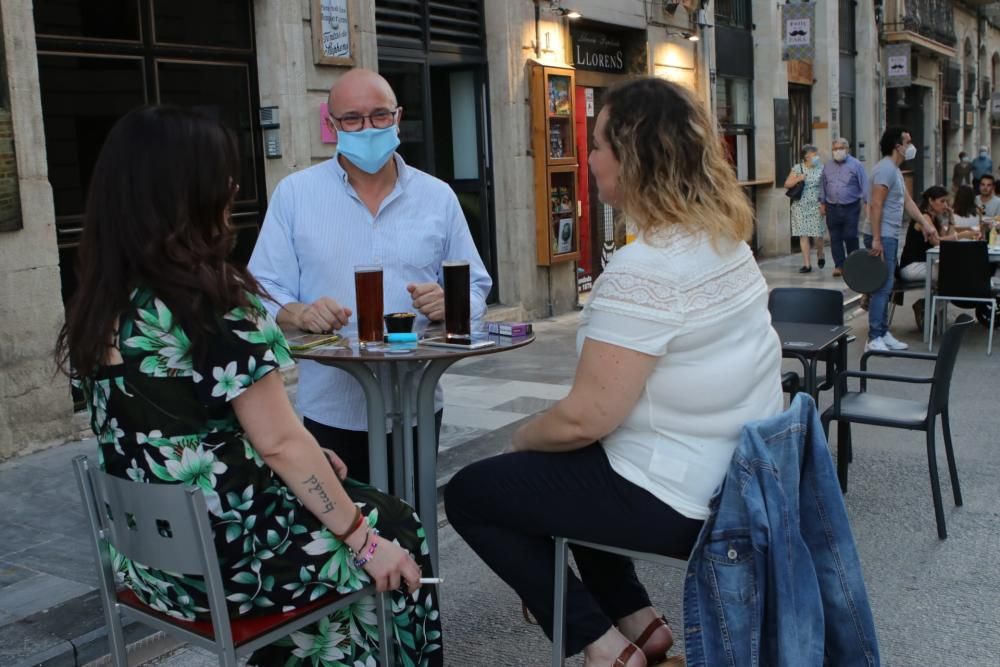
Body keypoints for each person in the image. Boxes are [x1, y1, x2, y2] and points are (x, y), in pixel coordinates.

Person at [55, 106, 442, 665]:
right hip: (233, 562)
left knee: (337, 497)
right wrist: (365, 542)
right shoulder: (213, 302)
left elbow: (176, 430)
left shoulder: (102, 305)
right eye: (224, 175)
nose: (234, 187)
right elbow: (281, 443)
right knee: (396, 524)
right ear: (191, 192)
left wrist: (303, 460)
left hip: (151, 564)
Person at [445, 78, 783, 667]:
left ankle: (603, 648)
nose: (589, 156)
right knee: (565, 472)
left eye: (598, 144)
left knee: (474, 493)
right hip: (736, 475)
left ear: (633, 156)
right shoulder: (724, 240)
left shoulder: (645, 268)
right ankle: (639, 623)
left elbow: (586, 418)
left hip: (682, 496)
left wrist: (521, 440)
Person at [249, 68, 492, 484]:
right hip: (331, 408)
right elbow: (263, 290)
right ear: (331, 124)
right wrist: (300, 312)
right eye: (353, 119)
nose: (368, 128)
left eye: (380, 116)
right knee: (346, 537)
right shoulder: (296, 194)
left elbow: (475, 287)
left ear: (398, 118)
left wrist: (451, 304)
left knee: (414, 527)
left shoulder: (437, 196)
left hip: (417, 402)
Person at [864, 126, 924, 352]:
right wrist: (877, 239)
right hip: (882, 235)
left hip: (889, 235)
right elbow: (875, 205)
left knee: (886, 285)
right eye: (907, 142)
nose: (910, 146)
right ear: (897, 146)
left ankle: (882, 332)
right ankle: (874, 337)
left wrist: (926, 224)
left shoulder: (895, 170)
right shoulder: (885, 170)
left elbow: (908, 202)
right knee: (882, 285)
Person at [898, 186, 962, 330]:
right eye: (942, 201)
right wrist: (961, 236)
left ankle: (928, 306)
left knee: (952, 274)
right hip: (911, 267)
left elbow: (946, 238)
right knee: (952, 275)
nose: (945, 205)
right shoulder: (924, 217)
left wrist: (951, 219)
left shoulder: (934, 218)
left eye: (947, 202)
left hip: (924, 264)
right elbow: (938, 242)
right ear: (931, 201)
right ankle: (928, 306)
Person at [819, 137, 868, 277]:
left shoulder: (856, 165)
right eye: (835, 149)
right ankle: (839, 265)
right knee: (835, 237)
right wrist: (822, 203)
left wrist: (867, 202)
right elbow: (823, 185)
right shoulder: (827, 166)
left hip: (851, 207)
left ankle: (854, 264)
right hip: (832, 206)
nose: (837, 151)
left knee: (850, 235)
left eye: (840, 148)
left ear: (847, 150)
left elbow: (864, 184)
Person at [784, 144, 826, 273]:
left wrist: (824, 203)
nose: (817, 157)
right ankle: (807, 264)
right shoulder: (798, 168)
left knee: (818, 234)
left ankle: (820, 253)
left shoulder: (822, 168)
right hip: (800, 206)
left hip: (816, 205)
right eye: (814, 154)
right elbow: (787, 184)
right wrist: (798, 178)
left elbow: (825, 186)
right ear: (806, 156)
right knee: (803, 235)